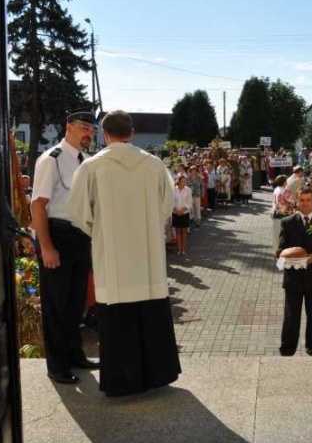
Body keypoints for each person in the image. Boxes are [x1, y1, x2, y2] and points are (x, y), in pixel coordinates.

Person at [68, 110, 181, 397]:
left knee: (118, 321)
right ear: (131, 133)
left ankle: (122, 381)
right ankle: (157, 375)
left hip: (113, 258)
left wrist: (102, 232)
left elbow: (79, 212)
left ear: (105, 134)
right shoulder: (154, 165)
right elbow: (167, 206)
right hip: (148, 259)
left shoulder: (92, 167)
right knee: (150, 315)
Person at [31, 109, 99, 385]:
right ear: (68, 127)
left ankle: (74, 354)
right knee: (56, 305)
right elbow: (38, 205)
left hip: (79, 237)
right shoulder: (51, 160)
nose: (89, 133)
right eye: (84, 127)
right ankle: (57, 366)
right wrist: (46, 247)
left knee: (75, 303)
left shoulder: (85, 161)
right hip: (57, 236)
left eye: (92, 129)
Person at [276, 188, 312, 356]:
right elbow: (281, 249)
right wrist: (285, 255)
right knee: (291, 315)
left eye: (308, 200)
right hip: (293, 277)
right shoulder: (287, 222)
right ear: (297, 202)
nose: (305, 203)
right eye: (302, 200)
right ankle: (287, 348)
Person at [172, 174, 193, 256]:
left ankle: (183, 250)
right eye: (183, 181)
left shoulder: (188, 190)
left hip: (184, 213)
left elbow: (189, 202)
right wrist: (176, 209)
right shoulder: (174, 189)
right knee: (177, 231)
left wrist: (182, 210)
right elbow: (172, 201)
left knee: (184, 231)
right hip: (176, 212)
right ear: (179, 181)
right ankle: (179, 249)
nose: (185, 182)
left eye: (185, 181)